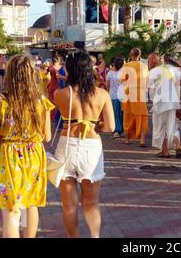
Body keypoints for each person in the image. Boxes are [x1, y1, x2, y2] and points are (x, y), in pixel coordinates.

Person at [0, 54, 54, 238]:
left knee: (12, 209)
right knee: (31, 205)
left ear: (9, 75)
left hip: (9, 158)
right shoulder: (41, 102)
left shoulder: (0, 102)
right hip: (34, 154)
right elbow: (47, 136)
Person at [54, 51, 115, 238]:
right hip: (91, 147)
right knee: (91, 203)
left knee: (69, 206)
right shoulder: (102, 94)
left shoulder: (61, 94)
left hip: (67, 146)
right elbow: (110, 127)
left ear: (70, 69)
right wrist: (98, 124)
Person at [149, 54, 181, 158]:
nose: (149, 63)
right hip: (172, 102)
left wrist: (153, 100)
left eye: (150, 61)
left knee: (160, 127)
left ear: (154, 61)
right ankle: (178, 147)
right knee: (172, 125)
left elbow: (151, 90)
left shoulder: (153, 72)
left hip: (160, 103)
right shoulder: (173, 69)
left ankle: (165, 151)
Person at [119, 48, 150, 147]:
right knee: (142, 116)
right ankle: (142, 140)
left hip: (130, 93)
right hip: (141, 93)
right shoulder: (145, 67)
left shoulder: (126, 65)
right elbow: (147, 80)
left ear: (130, 55)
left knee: (128, 115)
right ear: (139, 55)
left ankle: (127, 139)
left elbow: (122, 80)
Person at [106, 57, 125, 139]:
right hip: (122, 95)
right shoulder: (123, 72)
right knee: (122, 113)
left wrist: (108, 92)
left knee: (116, 114)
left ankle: (117, 130)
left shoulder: (110, 73)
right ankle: (121, 130)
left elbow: (107, 85)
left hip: (113, 96)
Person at [47, 55, 63, 120]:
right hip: (57, 86)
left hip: (51, 85)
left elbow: (45, 72)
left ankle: (51, 115)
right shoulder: (59, 68)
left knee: (51, 101)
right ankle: (54, 116)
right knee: (56, 101)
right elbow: (58, 77)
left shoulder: (51, 67)